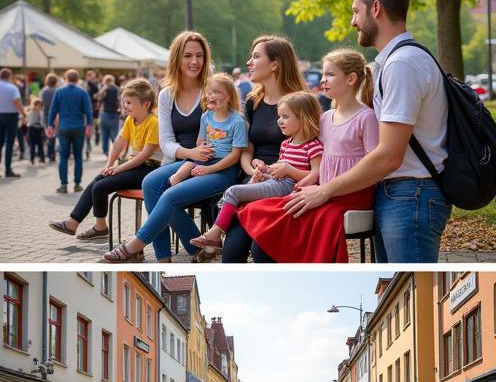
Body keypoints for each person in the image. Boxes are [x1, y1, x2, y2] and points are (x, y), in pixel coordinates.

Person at [279, 0, 450, 263]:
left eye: (356, 11)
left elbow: (388, 155)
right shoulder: (397, 61)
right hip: (400, 193)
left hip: (411, 194)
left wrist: (324, 191)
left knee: (411, 277)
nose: (352, 21)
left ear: (376, 9)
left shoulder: (402, 65)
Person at [248, 50, 380, 262]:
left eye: (329, 75)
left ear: (351, 79)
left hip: (351, 194)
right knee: (269, 215)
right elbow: (310, 156)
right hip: (323, 190)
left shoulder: (366, 117)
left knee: (301, 215)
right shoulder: (326, 118)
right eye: (323, 75)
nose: (322, 80)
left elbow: (374, 164)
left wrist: (323, 189)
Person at [104, 73, 246, 263]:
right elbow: (200, 145)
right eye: (210, 92)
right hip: (200, 163)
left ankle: (136, 244)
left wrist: (208, 170)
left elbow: (235, 156)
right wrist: (192, 160)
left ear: (229, 96)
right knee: (157, 186)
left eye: (218, 92)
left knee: (169, 196)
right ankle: (178, 254)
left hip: (223, 171)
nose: (212, 96)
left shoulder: (237, 121)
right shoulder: (206, 117)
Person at [191, 90, 323, 258]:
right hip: (276, 182)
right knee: (228, 199)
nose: (279, 121)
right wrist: (263, 167)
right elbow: (280, 166)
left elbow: (316, 174)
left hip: (288, 187)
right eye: (279, 116)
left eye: (286, 117)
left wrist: (289, 171)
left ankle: (216, 234)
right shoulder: (286, 144)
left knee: (233, 192)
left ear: (303, 118)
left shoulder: (313, 146)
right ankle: (217, 236)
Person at [48, 77, 160, 243]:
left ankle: (99, 228)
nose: (125, 106)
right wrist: (108, 166)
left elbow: (145, 155)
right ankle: (75, 223)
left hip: (150, 171)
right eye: (124, 102)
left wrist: (117, 169)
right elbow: (117, 144)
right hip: (136, 167)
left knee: (100, 187)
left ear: (145, 104)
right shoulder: (130, 120)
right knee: (98, 181)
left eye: (129, 102)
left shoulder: (153, 122)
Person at [46, 69, 94, 194]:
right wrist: (89, 125)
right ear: (78, 79)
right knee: (78, 156)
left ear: (66, 78)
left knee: (63, 157)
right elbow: (88, 110)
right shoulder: (82, 92)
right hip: (78, 127)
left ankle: (63, 185)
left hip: (63, 127)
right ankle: (77, 184)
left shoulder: (59, 91)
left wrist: (50, 125)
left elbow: (53, 110)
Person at [0, 68, 25, 178]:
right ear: (10, 76)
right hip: (11, 115)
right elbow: (16, 101)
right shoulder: (12, 88)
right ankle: (7, 169)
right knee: (9, 143)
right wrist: (23, 113)